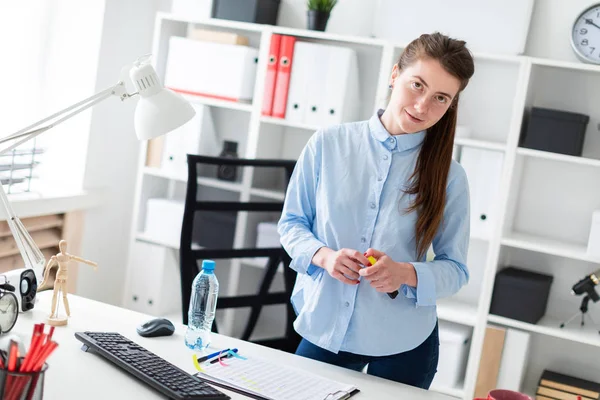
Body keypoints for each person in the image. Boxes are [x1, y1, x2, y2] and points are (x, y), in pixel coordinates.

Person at [277, 32, 475, 389]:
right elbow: (291, 223)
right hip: (327, 329)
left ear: (451, 104)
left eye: (440, 98)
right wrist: (323, 257)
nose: (422, 106)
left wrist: (405, 274)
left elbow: (456, 268)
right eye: (417, 85)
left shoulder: (451, 176)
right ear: (394, 74)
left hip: (406, 342)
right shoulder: (328, 143)